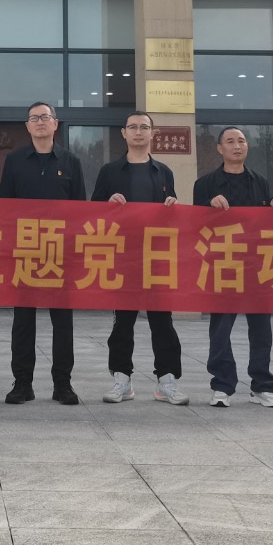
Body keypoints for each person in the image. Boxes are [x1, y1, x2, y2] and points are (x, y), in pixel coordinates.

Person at [90, 111, 188, 407]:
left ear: (152, 133)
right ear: (124, 133)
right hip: (124, 257)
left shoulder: (163, 172)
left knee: (163, 322)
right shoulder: (110, 171)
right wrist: (108, 204)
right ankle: (122, 379)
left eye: (144, 127)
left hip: (157, 258)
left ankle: (166, 380)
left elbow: (171, 214)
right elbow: (92, 211)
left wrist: (172, 204)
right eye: (132, 127)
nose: (138, 132)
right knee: (123, 322)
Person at [192, 126, 273, 408]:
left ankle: (262, 385)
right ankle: (222, 385)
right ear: (219, 148)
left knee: (261, 329)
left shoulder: (260, 182)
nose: (237, 146)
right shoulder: (205, 184)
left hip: (257, 266)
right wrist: (208, 205)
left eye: (241, 141)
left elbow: (270, 222)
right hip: (223, 265)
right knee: (220, 330)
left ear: (247, 147)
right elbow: (194, 224)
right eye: (230, 141)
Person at [0, 101, 84, 406]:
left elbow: (79, 209)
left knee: (63, 323)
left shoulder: (71, 162)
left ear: (55, 124)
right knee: (23, 322)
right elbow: (5, 207)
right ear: (27, 126)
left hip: (60, 254)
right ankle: (22, 383)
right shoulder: (14, 161)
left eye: (45, 117)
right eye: (34, 118)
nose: (40, 122)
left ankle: (63, 384)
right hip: (24, 252)